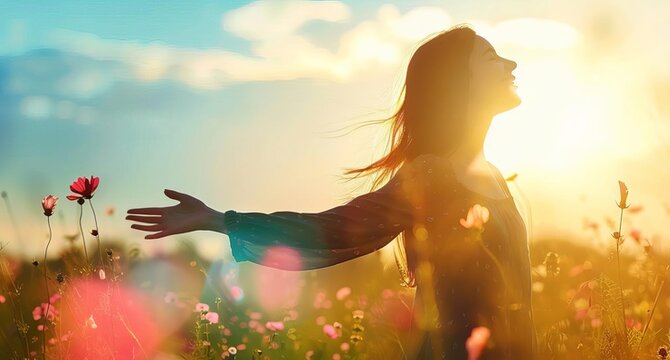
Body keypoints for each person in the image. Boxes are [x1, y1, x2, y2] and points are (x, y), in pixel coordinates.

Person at [126, 24, 536, 359]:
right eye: (491, 58)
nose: (511, 63)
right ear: (457, 82)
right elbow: (332, 230)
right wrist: (218, 220)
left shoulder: (495, 177)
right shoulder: (432, 176)